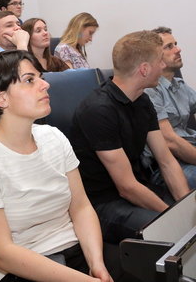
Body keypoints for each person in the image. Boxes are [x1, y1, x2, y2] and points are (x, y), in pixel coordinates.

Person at [0, 50, 112, 282]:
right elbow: (2, 254)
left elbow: (80, 208)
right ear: (1, 99)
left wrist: (96, 264)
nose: (45, 85)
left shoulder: (54, 137)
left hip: (74, 252)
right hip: (19, 269)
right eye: (30, 80)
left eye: (41, 77)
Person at [71, 31, 190, 244]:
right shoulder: (98, 110)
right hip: (105, 204)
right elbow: (126, 187)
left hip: (138, 189)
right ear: (144, 69)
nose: (163, 67)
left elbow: (166, 160)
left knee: (190, 215)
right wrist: (176, 217)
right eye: (159, 62)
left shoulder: (143, 102)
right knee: (175, 233)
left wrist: (185, 207)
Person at [142, 27, 196, 188]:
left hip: (189, 151)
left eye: (176, 44)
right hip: (169, 164)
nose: (178, 49)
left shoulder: (178, 85)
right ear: (154, 57)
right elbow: (170, 142)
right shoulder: (149, 91)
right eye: (169, 47)